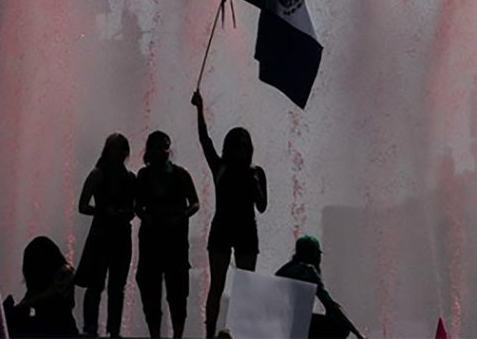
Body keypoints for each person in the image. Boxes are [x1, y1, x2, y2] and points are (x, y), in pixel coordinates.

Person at [190, 90, 267, 338]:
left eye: (245, 146)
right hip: (223, 227)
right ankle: (210, 333)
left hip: (246, 229)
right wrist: (199, 109)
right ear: (230, 147)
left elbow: (263, 206)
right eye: (238, 145)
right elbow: (204, 140)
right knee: (217, 284)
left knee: (247, 287)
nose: (242, 150)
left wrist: (255, 184)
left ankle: (242, 332)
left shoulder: (256, 172)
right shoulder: (220, 166)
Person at [135, 130, 199, 339]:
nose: (164, 151)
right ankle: (155, 334)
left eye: (166, 146)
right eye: (159, 147)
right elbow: (137, 206)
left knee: (178, 293)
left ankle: (177, 335)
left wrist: (180, 217)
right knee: (150, 292)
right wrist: (145, 216)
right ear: (149, 150)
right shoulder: (143, 176)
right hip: (151, 240)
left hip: (175, 242)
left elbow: (195, 202)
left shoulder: (181, 174)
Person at [75, 133, 136, 337]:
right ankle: (90, 328)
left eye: (122, 149)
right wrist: (103, 211)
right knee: (96, 284)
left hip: (120, 235)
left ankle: (114, 330)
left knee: (117, 287)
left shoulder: (130, 178)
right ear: (107, 151)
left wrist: (125, 212)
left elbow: (135, 207)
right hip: (102, 234)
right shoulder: (97, 175)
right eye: (115, 148)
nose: (119, 153)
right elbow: (82, 206)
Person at [275, 235, 367, 339]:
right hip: (295, 326)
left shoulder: (284, 269)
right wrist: (358, 334)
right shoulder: (308, 270)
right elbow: (331, 306)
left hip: (279, 323)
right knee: (341, 326)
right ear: (315, 254)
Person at [4, 235, 78, 337]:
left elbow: (55, 293)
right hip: (51, 326)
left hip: (60, 327)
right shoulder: (43, 281)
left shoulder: (64, 272)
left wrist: (25, 304)